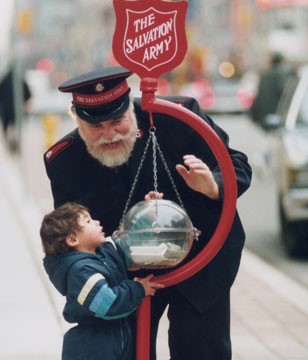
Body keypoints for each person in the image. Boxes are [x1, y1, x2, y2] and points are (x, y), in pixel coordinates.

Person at [43, 66, 252, 359]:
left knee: (201, 350)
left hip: (201, 263)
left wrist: (212, 185)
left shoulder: (177, 117)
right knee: (130, 352)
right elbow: (69, 240)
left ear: (131, 108)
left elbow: (238, 166)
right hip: (126, 279)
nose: (109, 134)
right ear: (77, 120)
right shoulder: (64, 161)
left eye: (118, 122)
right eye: (96, 127)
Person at [40, 202, 163, 360]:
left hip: (116, 338)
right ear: (72, 239)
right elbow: (107, 304)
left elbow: (131, 242)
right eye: (88, 221)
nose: (96, 221)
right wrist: (138, 288)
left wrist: (148, 214)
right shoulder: (79, 272)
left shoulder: (104, 252)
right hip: (95, 346)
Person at [0, 68, 31, 153]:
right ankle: (15, 143)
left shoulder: (3, 81)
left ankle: (8, 144)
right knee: (16, 127)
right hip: (17, 110)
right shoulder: (21, 81)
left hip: (5, 110)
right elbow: (28, 94)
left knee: (5, 128)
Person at [249, 52, 291, 127]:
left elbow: (259, 95)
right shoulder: (283, 74)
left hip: (263, 115)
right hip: (277, 115)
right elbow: (284, 94)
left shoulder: (264, 75)